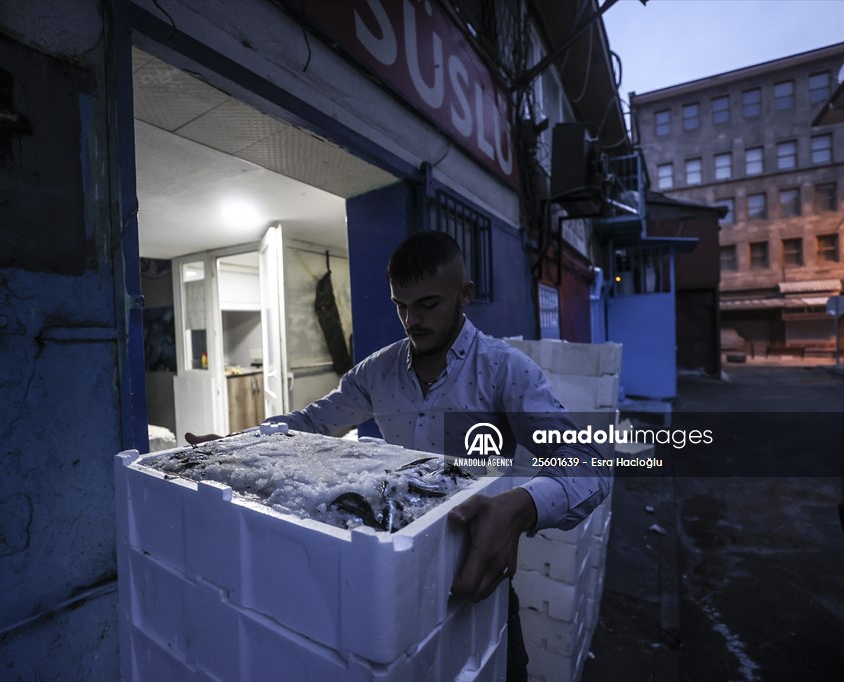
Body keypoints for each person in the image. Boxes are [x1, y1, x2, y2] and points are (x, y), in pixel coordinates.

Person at [188, 231, 609, 680]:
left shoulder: (504, 370)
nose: (412, 319)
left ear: (465, 295)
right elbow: (311, 423)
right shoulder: (378, 372)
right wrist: (241, 442)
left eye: (428, 304)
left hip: (477, 576)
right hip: (391, 576)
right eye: (400, 305)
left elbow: (590, 462)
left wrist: (523, 506)